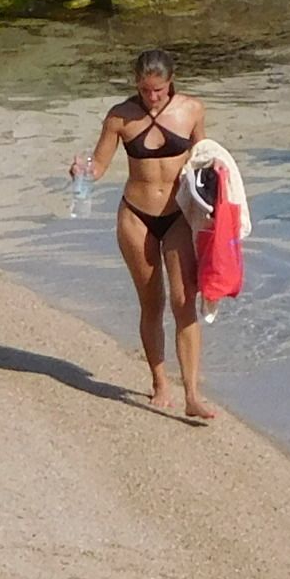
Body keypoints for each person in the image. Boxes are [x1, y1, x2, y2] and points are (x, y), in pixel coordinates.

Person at [74, 50, 218, 425]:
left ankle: (191, 394)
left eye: (157, 90)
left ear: (171, 81)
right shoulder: (120, 117)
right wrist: (82, 172)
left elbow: (206, 161)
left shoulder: (192, 110)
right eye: (144, 89)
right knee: (151, 302)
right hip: (135, 216)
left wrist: (220, 208)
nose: (151, 97)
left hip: (178, 216)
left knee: (185, 301)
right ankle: (159, 384)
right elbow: (99, 165)